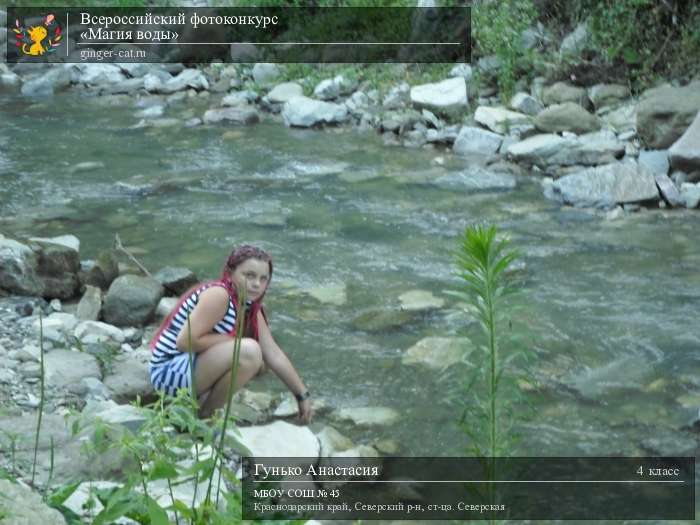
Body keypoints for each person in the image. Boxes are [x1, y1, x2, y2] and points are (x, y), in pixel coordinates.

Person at [149, 244, 312, 423]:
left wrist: (301, 395)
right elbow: (184, 342)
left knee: (261, 361)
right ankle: (205, 415)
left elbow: (273, 352)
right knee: (250, 352)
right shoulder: (219, 295)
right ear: (230, 272)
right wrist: (233, 340)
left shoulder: (248, 305)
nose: (257, 284)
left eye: (263, 278)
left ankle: (201, 402)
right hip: (168, 372)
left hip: (189, 366)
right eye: (249, 275)